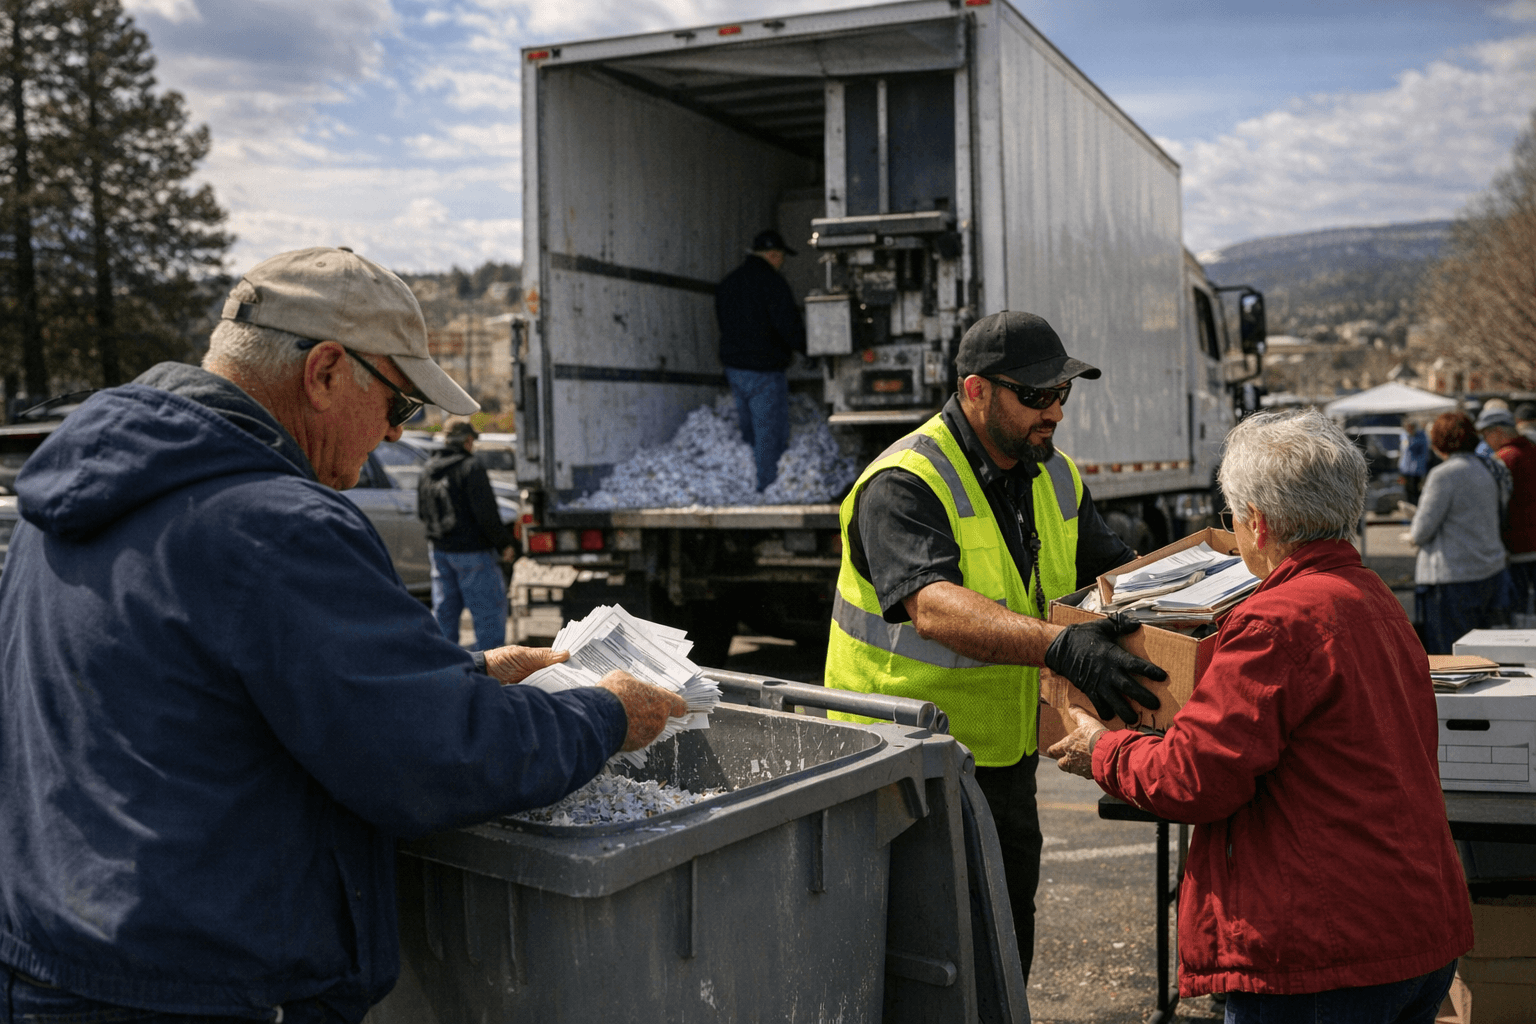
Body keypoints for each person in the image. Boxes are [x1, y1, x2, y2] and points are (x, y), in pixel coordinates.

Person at [0, 247, 688, 1023]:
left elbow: (203, 689)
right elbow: (433, 759)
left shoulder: (62, 504)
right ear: (325, 372)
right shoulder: (277, 522)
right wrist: (606, 713)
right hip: (203, 991)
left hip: (53, 964)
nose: (397, 438)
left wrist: (468, 668)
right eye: (401, 406)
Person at [1047, 408, 1472, 1022]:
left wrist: (1101, 750)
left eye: (1232, 517)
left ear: (1257, 522)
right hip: (1410, 928)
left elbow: (1192, 777)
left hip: (1323, 952)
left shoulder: (1276, 620)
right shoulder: (1370, 596)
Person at [824, 309, 1166, 983]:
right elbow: (934, 607)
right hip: (898, 766)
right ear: (975, 390)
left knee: (1004, 945)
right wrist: (1061, 649)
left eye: (1063, 394)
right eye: (1037, 396)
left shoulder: (1055, 476)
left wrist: (1203, 604)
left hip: (1001, 762)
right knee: (926, 964)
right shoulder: (906, 481)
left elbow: (1119, 575)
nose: (1056, 413)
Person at [715, 228, 806, 491]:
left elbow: (723, 322)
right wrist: (806, 350)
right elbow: (787, 324)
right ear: (774, 255)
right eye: (781, 257)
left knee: (748, 431)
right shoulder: (773, 283)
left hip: (734, 369)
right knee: (769, 435)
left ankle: (742, 486)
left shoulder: (728, 283)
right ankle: (767, 489)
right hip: (764, 370)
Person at [1410, 410, 1508, 653]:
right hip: (1489, 572)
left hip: (1451, 578)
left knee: (1451, 659)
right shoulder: (1487, 468)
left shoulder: (1443, 475)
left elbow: (1421, 530)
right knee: (1485, 656)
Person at [419, 415, 517, 650]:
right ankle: (492, 676)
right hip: (473, 553)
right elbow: (486, 513)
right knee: (488, 617)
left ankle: (443, 670)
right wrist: (505, 544)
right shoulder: (470, 467)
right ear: (467, 441)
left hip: (439, 553)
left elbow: (422, 512)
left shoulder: (428, 469)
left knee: (445, 615)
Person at [1480, 406, 1536, 617]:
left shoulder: (1504, 459)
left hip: (1516, 546)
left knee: (1519, 608)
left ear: (1498, 432)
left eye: (1486, 435)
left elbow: (1498, 504)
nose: (1485, 441)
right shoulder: (1532, 450)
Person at [1398, 418, 1428, 506]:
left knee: (1416, 492)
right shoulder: (1404, 435)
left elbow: (1422, 452)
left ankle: (1415, 508)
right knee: (1407, 491)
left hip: (1417, 470)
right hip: (1405, 469)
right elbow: (1403, 452)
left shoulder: (1421, 437)